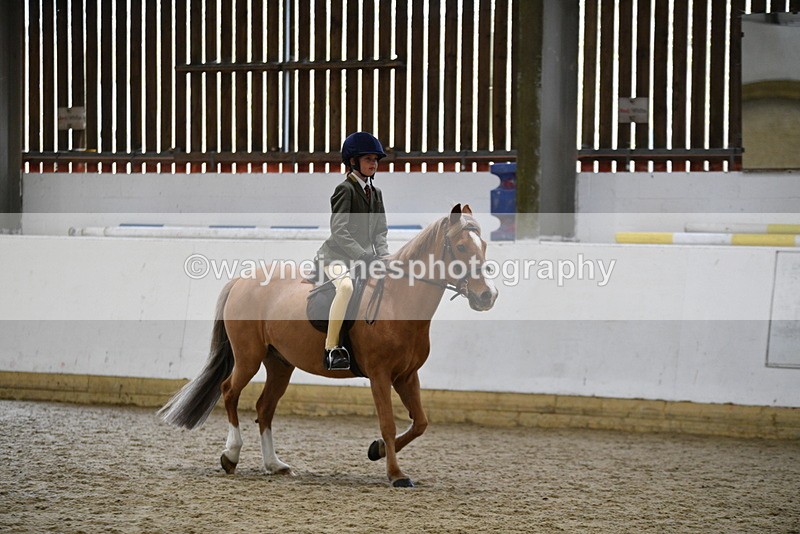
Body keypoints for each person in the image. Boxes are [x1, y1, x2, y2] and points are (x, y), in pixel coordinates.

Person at [316, 132, 390, 370]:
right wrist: (362, 255)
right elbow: (339, 230)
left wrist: (384, 255)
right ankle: (331, 348)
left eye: (375, 160)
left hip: (364, 259)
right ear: (353, 161)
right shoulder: (345, 189)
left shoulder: (376, 193)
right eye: (368, 159)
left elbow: (380, 230)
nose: (373, 163)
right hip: (336, 257)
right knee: (346, 287)